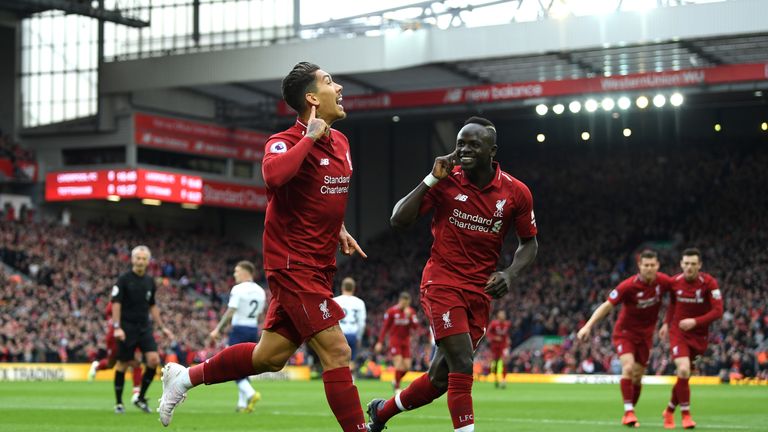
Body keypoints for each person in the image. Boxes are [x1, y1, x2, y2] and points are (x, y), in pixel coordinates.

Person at [158, 62, 369, 432]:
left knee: (269, 357)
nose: (338, 87)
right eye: (329, 81)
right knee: (337, 351)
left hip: (320, 265)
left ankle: (184, 377)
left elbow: (318, 197)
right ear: (311, 97)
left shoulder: (343, 143)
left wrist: (339, 228)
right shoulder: (284, 141)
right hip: (293, 264)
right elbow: (273, 175)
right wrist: (309, 138)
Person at [367, 116, 538, 432]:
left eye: (474, 144)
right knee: (462, 364)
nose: (465, 150)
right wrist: (431, 178)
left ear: (492, 150)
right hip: (442, 283)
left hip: (480, 292)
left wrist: (511, 274)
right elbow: (398, 219)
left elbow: (529, 243)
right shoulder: (446, 181)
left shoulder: (517, 192)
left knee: (439, 379)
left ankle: (381, 413)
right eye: (460, 144)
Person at [576, 249, 672, 427]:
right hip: (625, 333)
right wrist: (588, 325)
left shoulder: (663, 282)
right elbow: (607, 306)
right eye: (646, 265)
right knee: (627, 368)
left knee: (637, 377)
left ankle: (630, 410)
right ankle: (629, 412)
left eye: (652, 265)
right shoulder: (628, 286)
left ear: (657, 266)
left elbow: (677, 294)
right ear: (639, 266)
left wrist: (667, 322)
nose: (649, 268)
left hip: (646, 336)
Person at [659, 248, 723, 429]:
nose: (689, 267)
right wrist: (666, 323)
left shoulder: (709, 283)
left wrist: (695, 322)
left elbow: (718, 311)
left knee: (683, 377)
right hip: (678, 333)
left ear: (699, 265)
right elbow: (672, 304)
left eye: (693, 264)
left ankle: (669, 410)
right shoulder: (674, 283)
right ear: (681, 264)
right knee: (684, 369)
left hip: (699, 335)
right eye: (686, 263)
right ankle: (686, 415)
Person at [111, 245, 175, 414]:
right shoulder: (123, 279)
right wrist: (117, 327)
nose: (140, 261)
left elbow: (152, 305)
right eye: (138, 258)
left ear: (148, 262)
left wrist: (162, 327)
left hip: (144, 327)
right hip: (126, 326)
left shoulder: (149, 281)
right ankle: (118, 403)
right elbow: (116, 303)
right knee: (123, 364)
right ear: (132, 260)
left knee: (153, 360)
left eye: (143, 259)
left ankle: (140, 398)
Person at [208, 260, 266, 413]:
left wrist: (218, 329)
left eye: (236, 271)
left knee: (230, 365)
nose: (234, 274)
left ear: (245, 272)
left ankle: (251, 393)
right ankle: (242, 404)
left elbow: (231, 311)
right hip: (253, 329)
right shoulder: (261, 291)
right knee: (244, 366)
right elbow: (259, 314)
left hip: (239, 329)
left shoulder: (238, 289)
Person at [87, 301, 143, 403]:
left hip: (131, 333)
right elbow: (109, 310)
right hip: (115, 336)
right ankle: (97, 366)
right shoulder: (117, 299)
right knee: (111, 364)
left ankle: (136, 393)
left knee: (136, 360)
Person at [374, 292, 419, 393]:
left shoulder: (411, 312)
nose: (405, 305)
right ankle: (397, 387)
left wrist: (410, 317)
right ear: (400, 301)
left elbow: (416, 327)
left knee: (407, 367)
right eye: (404, 303)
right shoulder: (391, 311)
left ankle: (395, 380)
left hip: (406, 342)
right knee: (398, 364)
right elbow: (385, 327)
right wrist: (380, 342)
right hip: (395, 341)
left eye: (407, 303)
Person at [333, 277, 367, 374]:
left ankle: (338, 383)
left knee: (338, 361)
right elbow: (361, 322)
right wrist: (359, 337)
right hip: (352, 334)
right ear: (354, 288)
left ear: (342, 287)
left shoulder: (335, 300)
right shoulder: (359, 302)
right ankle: (350, 382)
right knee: (351, 361)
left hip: (338, 334)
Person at [487, 309, 511, 389]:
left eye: (504, 314)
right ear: (498, 316)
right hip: (495, 347)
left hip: (504, 346)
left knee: (504, 362)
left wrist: (508, 339)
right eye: (501, 314)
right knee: (496, 364)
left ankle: (503, 380)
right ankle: (496, 378)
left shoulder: (507, 324)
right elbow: (488, 333)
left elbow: (507, 334)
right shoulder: (494, 323)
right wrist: (494, 338)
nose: (503, 316)